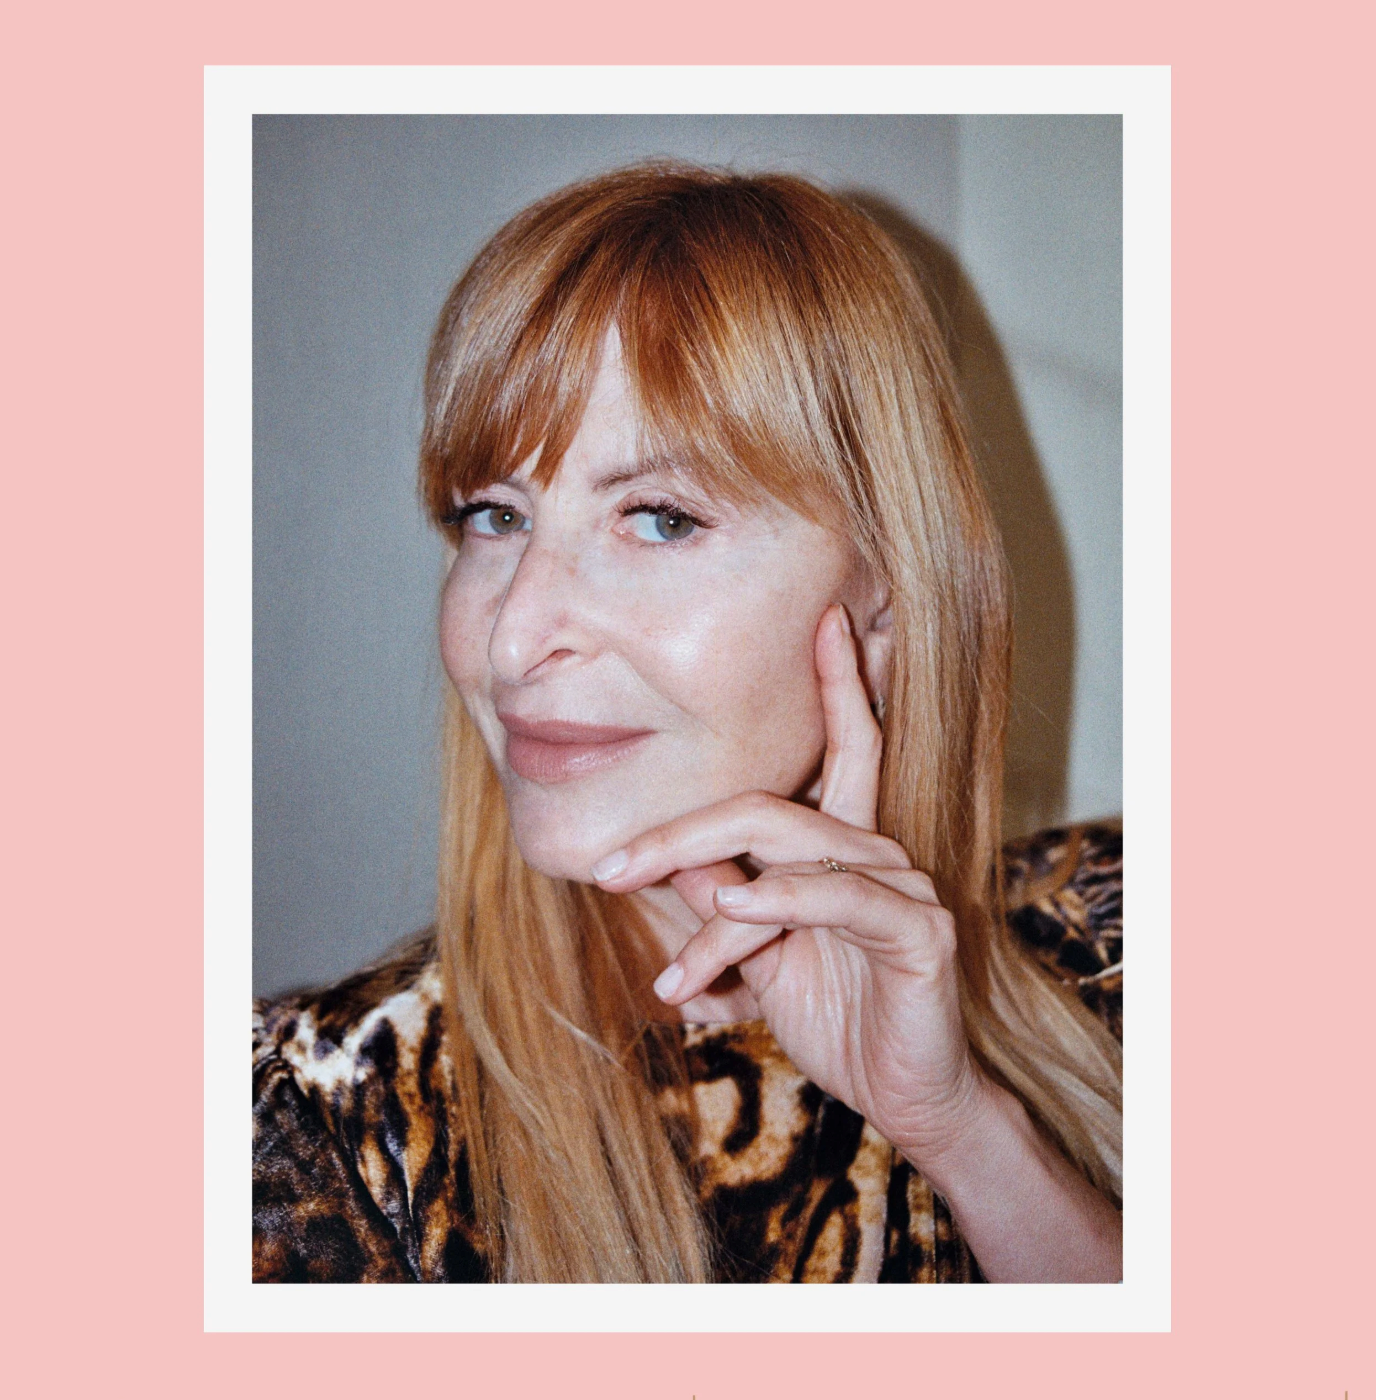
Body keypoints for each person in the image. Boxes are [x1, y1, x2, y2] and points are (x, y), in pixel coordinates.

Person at [252, 163, 1124, 1284]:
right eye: (495, 516)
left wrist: (964, 1130)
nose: (514, 638)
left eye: (659, 518)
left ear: (886, 611)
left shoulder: (1130, 951)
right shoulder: (309, 1127)